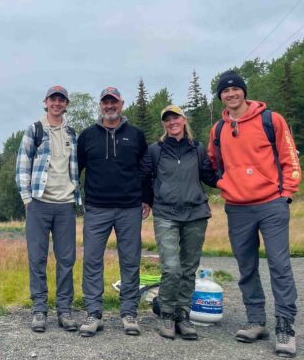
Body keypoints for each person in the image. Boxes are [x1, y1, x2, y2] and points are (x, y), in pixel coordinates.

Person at [208, 71, 301, 357]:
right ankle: (256, 320)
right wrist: (227, 184)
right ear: (221, 96)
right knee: (246, 266)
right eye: (225, 91)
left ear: (244, 92)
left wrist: (287, 193)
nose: (231, 94)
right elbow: (214, 163)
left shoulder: (270, 120)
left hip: (272, 202)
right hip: (237, 207)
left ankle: (285, 326)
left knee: (279, 265)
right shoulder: (218, 130)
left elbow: (289, 157)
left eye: (236, 89)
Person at [77, 87, 151, 337]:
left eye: (114, 102)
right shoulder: (87, 136)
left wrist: (146, 198)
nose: (110, 106)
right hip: (97, 207)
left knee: (130, 261)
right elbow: (75, 170)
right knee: (92, 261)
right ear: (100, 105)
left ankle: (129, 313)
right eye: (105, 102)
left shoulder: (136, 135)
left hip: (130, 207)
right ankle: (93, 313)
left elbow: (145, 169)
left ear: (121, 104)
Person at [140, 105, 217, 340]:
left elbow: (209, 176)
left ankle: (182, 314)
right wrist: (146, 201)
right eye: (167, 119)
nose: (172, 122)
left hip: (196, 213)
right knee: (171, 268)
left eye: (176, 118)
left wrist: (234, 180)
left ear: (184, 120)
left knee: (189, 268)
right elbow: (144, 176)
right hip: (166, 214)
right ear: (164, 124)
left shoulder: (198, 149)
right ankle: (166, 313)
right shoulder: (156, 151)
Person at [16, 85, 82, 333]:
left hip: (65, 205)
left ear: (66, 104)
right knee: (37, 258)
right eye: (53, 99)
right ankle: (40, 310)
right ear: (45, 102)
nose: (57, 103)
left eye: (61, 100)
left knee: (66, 259)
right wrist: (27, 199)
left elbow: (74, 167)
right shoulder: (35, 130)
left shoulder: (71, 133)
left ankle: (64, 311)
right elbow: (22, 165)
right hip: (39, 204)